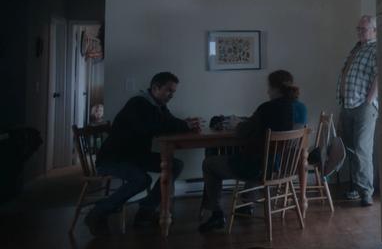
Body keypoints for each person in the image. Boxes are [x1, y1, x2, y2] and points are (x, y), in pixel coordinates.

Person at [86, 72, 196, 236]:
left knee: (175, 165)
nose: (171, 95)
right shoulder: (138, 103)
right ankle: (98, 212)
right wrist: (183, 125)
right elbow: (153, 127)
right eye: (169, 91)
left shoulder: (158, 105)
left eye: (173, 92)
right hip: (113, 158)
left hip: (134, 156)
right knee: (141, 180)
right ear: (155, 88)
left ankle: (146, 210)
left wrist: (186, 124)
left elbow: (169, 122)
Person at [199, 70, 298, 232]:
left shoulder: (266, 107)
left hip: (256, 168)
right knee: (255, 155)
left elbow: (243, 132)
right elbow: (259, 125)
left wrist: (236, 124)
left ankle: (215, 213)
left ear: (274, 88)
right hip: (275, 166)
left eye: (269, 87)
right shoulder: (290, 108)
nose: (267, 91)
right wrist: (246, 122)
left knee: (209, 164)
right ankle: (246, 204)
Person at [336, 15, 378, 206]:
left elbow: (381, 74)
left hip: (363, 106)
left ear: (374, 30)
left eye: (364, 29)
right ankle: (355, 188)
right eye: (358, 28)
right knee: (350, 149)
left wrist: (369, 101)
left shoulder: (376, 47)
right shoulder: (358, 48)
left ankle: (366, 193)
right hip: (347, 105)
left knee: (362, 149)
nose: (360, 32)